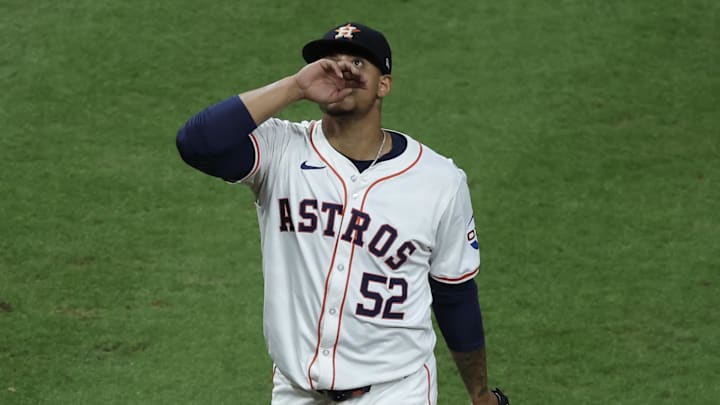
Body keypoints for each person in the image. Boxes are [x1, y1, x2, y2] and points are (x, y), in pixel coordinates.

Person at [176, 22, 509, 405]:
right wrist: (295, 87)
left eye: (357, 62)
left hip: (394, 392)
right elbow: (196, 144)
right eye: (329, 62)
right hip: (296, 390)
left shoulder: (439, 181)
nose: (342, 71)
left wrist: (479, 393)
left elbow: (455, 294)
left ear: (384, 84)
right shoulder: (282, 149)